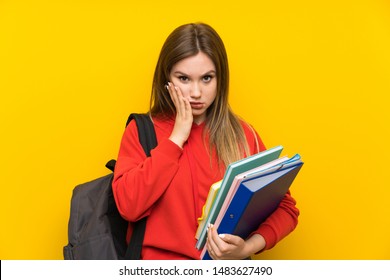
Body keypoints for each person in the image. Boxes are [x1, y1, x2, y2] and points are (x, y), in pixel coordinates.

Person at [112, 22, 299, 260]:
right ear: (166, 79)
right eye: (184, 78)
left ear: (220, 79)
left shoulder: (242, 134)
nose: (197, 93)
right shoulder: (141, 130)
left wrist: (247, 248)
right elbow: (128, 206)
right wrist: (176, 138)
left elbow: (286, 208)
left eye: (207, 78)